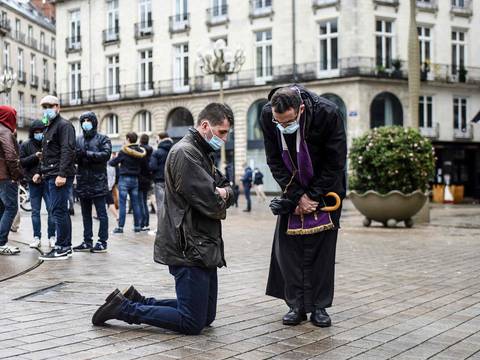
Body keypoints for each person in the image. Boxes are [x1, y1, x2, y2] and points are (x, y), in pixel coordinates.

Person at [92, 103, 235, 335]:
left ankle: (139, 300)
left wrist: (224, 192)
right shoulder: (185, 153)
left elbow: (228, 190)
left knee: (205, 317)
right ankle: (124, 308)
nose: (224, 139)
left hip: (204, 243)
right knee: (192, 322)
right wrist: (221, 193)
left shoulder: (202, 153)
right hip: (189, 245)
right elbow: (213, 203)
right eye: (222, 132)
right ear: (206, 126)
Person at [259, 85, 346, 327]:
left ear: (301, 109)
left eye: (288, 122)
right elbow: (274, 159)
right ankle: (295, 305)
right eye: (279, 122)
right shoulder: (268, 115)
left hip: (326, 189)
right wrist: (297, 196)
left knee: (322, 250)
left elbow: (335, 162)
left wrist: (313, 196)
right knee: (288, 251)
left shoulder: (328, 113)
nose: (283, 127)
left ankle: (319, 307)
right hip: (292, 189)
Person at [35, 95, 76, 261]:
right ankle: (64, 246)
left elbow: (68, 150)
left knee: (59, 211)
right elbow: (46, 154)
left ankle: (63, 247)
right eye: (44, 106)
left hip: (59, 175)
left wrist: (62, 174)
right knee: (58, 210)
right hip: (51, 173)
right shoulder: (49, 126)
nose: (46, 109)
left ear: (58, 107)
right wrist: (40, 171)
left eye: (49, 106)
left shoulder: (64, 125)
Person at [73, 112, 112, 253]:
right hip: (83, 181)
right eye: (84, 120)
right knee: (85, 214)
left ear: (94, 122)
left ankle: (102, 241)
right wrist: (76, 156)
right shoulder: (78, 139)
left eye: (89, 120)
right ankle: (87, 241)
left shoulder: (103, 139)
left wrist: (87, 154)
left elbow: (105, 155)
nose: (86, 123)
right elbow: (73, 157)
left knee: (102, 214)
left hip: (98, 181)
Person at [19, 119, 56, 249]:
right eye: (36, 132)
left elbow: (51, 161)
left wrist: (39, 173)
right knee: (35, 211)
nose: (39, 134)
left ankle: (52, 236)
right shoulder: (25, 145)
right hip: (33, 183)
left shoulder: (48, 143)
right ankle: (36, 237)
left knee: (52, 210)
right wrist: (35, 156)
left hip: (47, 181)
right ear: (32, 132)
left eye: (41, 131)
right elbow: (22, 162)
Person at [108, 132, 145, 234]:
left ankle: (120, 227)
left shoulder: (124, 151)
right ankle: (137, 226)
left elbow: (112, 163)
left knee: (123, 204)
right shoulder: (139, 151)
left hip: (124, 179)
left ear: (128, 139)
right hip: (135, 179)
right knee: (135, 204)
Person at [0, 106, 22, 255]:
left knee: (2, 208)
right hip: (6, 177)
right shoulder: (5, 132)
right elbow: (10, 155)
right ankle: (1, 243)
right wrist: (16, 176)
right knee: (11, 208)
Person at [149, 132, 173, 222]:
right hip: (171, 181)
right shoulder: (173, 150)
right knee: (171, 205)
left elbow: (152, 167)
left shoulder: (157, 152)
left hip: (159, 181)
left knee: (161, 205)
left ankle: (162, 228)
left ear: (159, 139)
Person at [138, 134, 153, 231]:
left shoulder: (140, 151)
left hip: (140, 179)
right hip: (148, 179)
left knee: (141, 202)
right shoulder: (151, 151)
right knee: (144, 202)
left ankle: (142, 223)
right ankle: (146, 223)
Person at [106, 153, 119, 222]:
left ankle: (117, 216)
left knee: (110, 201)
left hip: (106, 186)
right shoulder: (113, 165)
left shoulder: (107, 165)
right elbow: (115, 176)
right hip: (110, 185)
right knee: (109, 200)